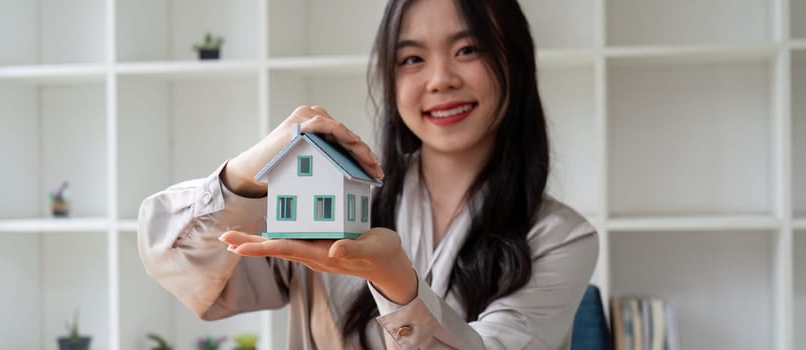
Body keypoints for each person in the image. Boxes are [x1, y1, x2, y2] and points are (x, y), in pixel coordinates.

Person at [137, 0, 599, 348]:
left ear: (515, 64)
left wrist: (396, 282)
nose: (440, 79)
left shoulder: (559, 237)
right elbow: (184, 274)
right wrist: (245, 173)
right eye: (412, 59)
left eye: (468, 49)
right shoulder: (329, 197)